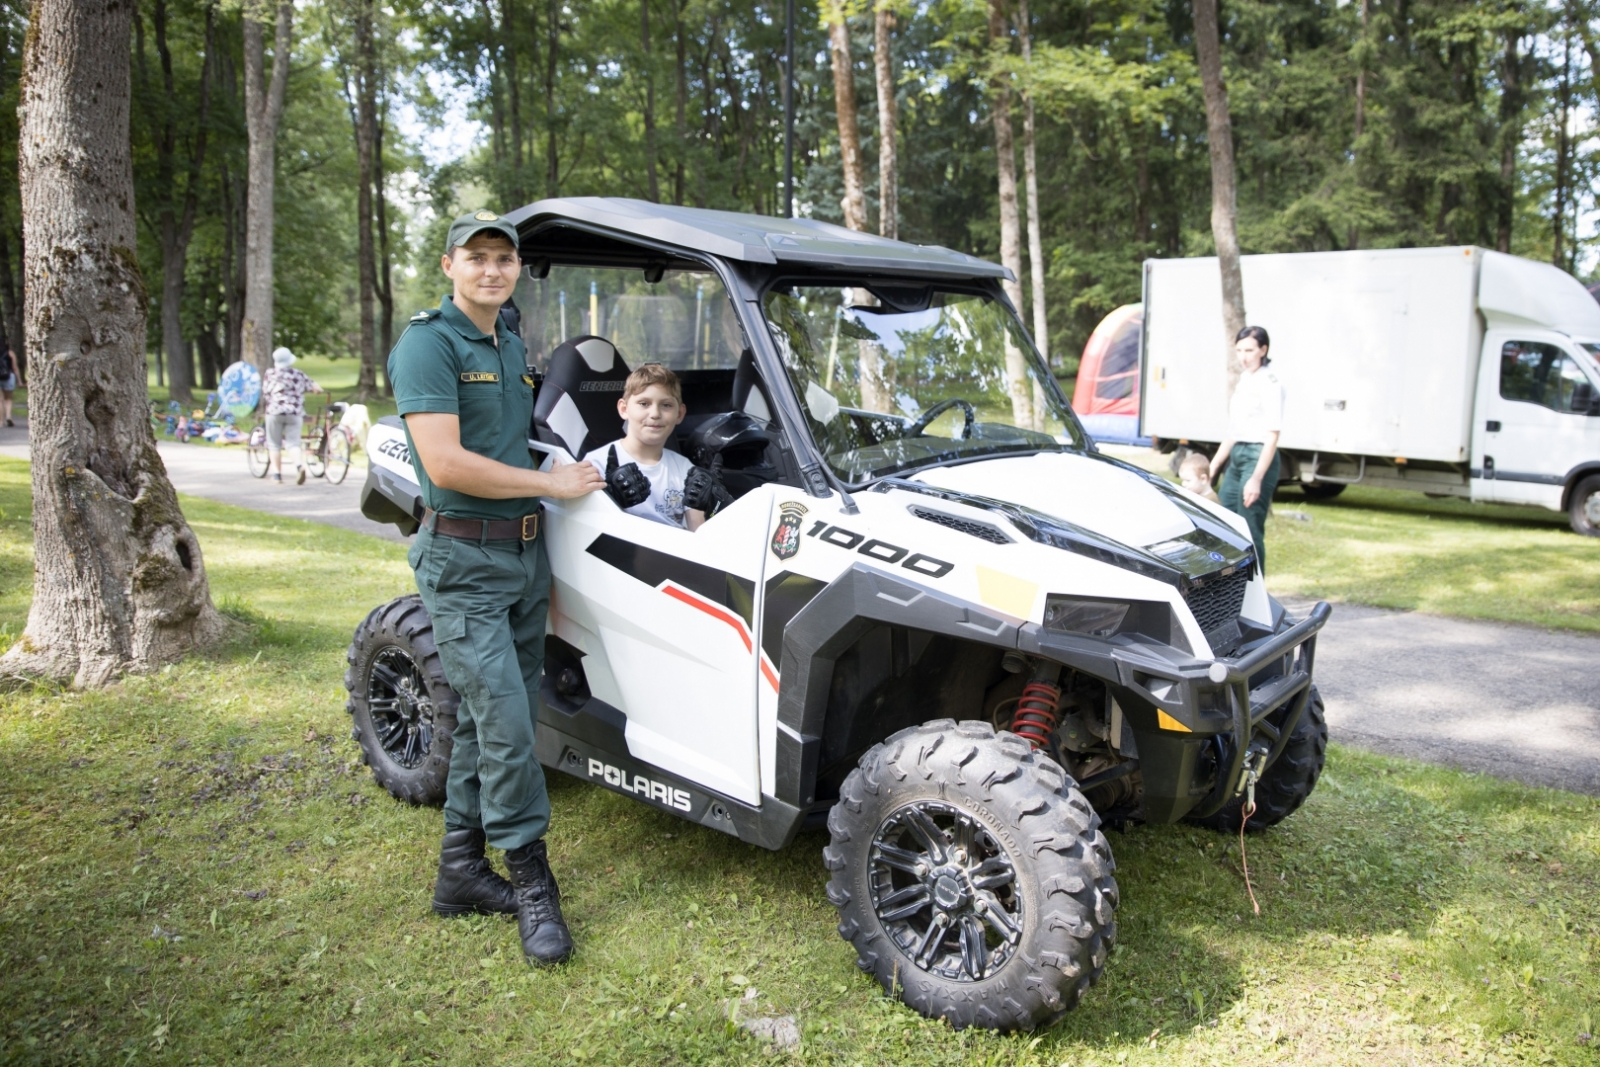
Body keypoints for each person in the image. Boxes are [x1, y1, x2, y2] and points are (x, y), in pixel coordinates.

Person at [387, 209, 605, 967]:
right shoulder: (427, 344)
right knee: (512, 722)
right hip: (462, 561)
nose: (491, 269)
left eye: (503, 258)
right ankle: (532, 876)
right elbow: (444, 464)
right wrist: (548, 484)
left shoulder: (508, 341)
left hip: (520, 557)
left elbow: (520, 435)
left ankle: (460, 870)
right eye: (476, 257)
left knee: (487, 723)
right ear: (449, 264)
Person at [582, 363, 729, 531]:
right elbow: (587, 529)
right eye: (644, 403)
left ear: (679, 414)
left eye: (666, 405)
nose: (655, 414)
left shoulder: (684, 469)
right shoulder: (596, 465)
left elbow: (698, 533)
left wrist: (714, 505)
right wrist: (609, 499)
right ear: (624, 409)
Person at [1208, 325, 1283, 570]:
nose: (1244, 356)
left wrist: (1256, 478)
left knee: (1250, 528)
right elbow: (1233, 431)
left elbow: (1272, 436)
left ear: (1263, 349)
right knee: (1226, 520)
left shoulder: (1270, 383)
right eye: (1239, 350)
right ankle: (1233, 583)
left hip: (1258, 456)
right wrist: (1214, 465)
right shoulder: (1244, 379)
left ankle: (1257, 589)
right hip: (1238, 453)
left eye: (1249, 350)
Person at [261, 347, 324, 484]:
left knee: (274, 444)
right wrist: (316, 390)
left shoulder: (270, 373)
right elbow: (315, 387)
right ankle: (299, 466)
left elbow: (265, 392)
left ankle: (277, 475)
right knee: (293, 443)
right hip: (294, 412)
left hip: (274, 411)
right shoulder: (298, 374)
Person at [0, 344, 18, 428]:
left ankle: (0, 421)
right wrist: (20, 381)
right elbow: (14, 367)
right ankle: (8, 417)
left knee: (0, 400)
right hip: (8, 376)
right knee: (8, 399)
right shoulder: (10, 353)